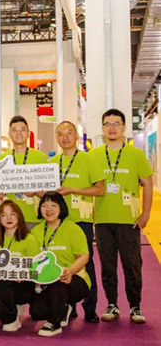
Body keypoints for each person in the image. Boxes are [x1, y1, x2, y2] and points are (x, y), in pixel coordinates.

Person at [90, 108, 153, 324]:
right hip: (102, 220)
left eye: (116, 124)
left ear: (124, 128)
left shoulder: (136, 154)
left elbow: (147, 183)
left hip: (129, 221)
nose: (112, 128)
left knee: (132, 265)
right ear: (102, 128)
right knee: (107, 266)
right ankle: (112, 304)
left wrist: (146, 213)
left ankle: (135, 306)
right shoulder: (93, 155)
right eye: (108, 124)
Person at [49, 120, 105, 323]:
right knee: (60, 264)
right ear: (56, 137)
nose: (65, 137)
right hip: (58, 222)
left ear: (76, 136)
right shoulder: (52, 163)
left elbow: (100, 189)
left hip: (81, 221)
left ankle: (90, 308)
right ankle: (68, 305)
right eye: (60, 134)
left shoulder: (88, 159)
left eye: (69, 133)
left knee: (85, 265)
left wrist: (73, 190)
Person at [29, 192, 90, 337]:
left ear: (61, 207)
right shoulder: (36, 231)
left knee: (59, 281)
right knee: (37, 312)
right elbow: (31, 259)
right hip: (45, 280)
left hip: (72, 278)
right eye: (44, 206)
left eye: (53, 205)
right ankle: (63, 308)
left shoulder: (73, 229)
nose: (48, 209)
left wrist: (71, 271)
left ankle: (54, 323)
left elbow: (84, 256)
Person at [0, 200, 38, 332]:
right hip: (1, 283)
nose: (8, 218)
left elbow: (35, 265)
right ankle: (11, 310)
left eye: (12, 214)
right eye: (4, 215)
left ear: (19, 216)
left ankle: (10, 319)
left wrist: (23, 274)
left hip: (23, 284)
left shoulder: (29, 238)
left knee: (2, 284)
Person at [0, 116, 48, 229]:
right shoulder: (1, 159)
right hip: (10, 219)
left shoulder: (41, 157)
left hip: (35, 217)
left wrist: (37, 191)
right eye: (14, 130)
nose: (19, 133)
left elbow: (47, 188)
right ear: (9, 134)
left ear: (28, 133)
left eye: (22, 130)